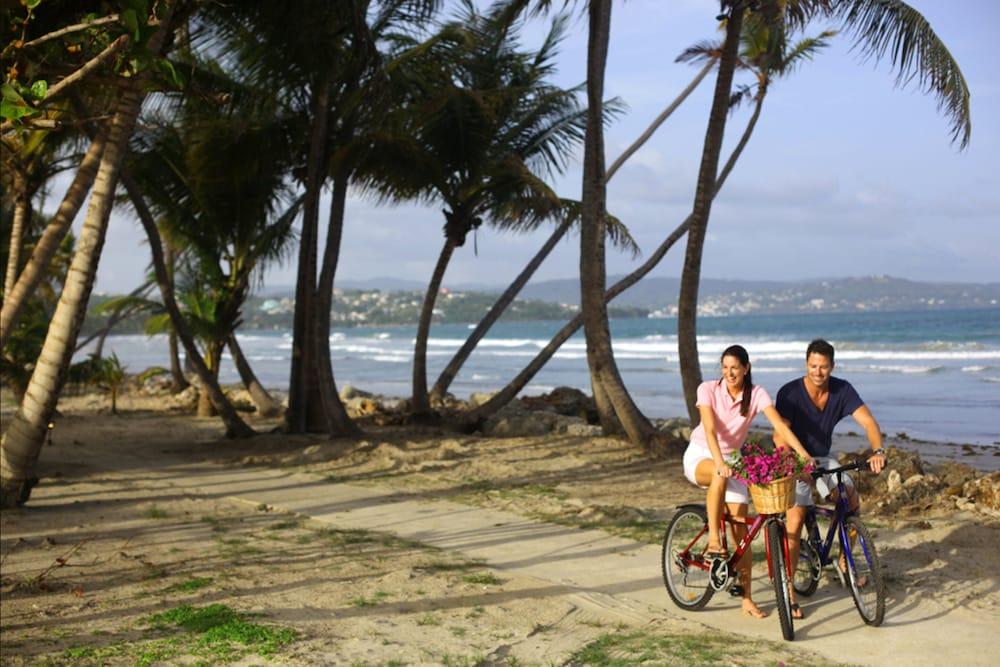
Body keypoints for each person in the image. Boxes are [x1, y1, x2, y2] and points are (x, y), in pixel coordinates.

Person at [682, 344, 813, 619]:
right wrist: (719, 461)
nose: (729, 373)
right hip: (702, 454)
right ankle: (715, 540)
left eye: (735, 368)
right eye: (725, 368)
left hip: (731, 462)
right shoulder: (707, 389)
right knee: (719, 478)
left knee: (743, 536)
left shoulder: (757, 394)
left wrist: (803, 455)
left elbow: (779, 426)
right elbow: (709, 427)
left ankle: (747, 599)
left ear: (746, 368)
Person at [775, 338, 887, 620]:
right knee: (796, 518)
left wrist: (878, 450)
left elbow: (869, 422)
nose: (818, 372)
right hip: (794, 461)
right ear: (806, 364)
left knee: (850, 501)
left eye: (823, 367)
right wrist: (794, 464)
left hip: (823, 460)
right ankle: (788, 589)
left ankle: (843, 560)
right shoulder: (789, 393)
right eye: (813, 366)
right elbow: (780, 437)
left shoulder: (842, 389)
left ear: (832, 366)